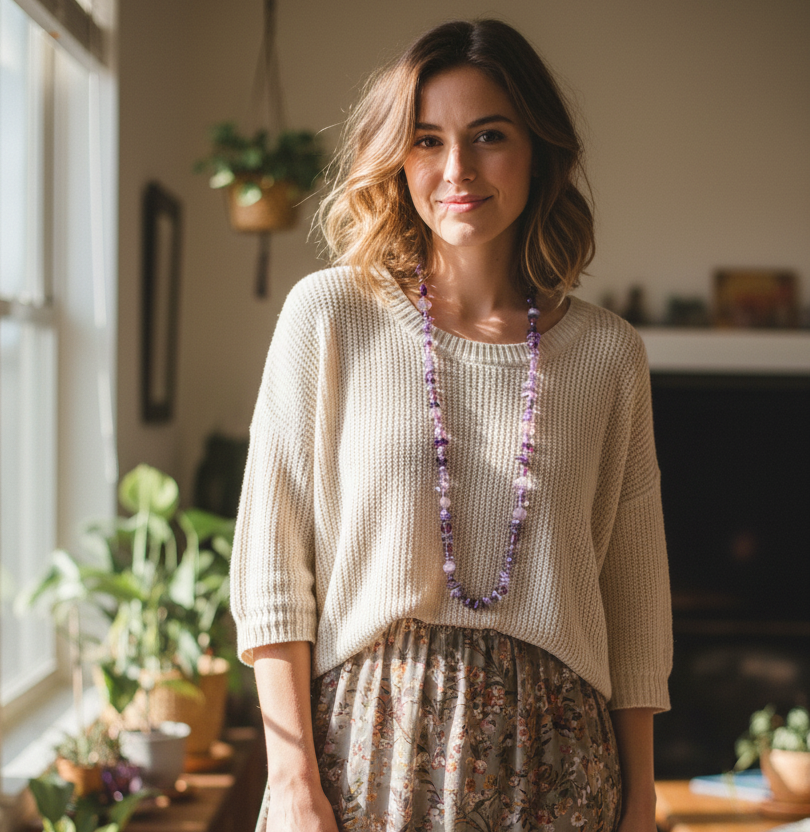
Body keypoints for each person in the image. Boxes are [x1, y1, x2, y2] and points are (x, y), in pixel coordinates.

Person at [230, 18, 672, 832]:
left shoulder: (608, 355)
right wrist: (292, 780)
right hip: (366, 760)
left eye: (489, 136)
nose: (457, 169)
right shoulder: (328, 318)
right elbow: (270, 572)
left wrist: (641, 800)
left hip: (562, 768)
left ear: (538, 149)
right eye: (427, 140)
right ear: (397, 159)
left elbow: (635, 606)